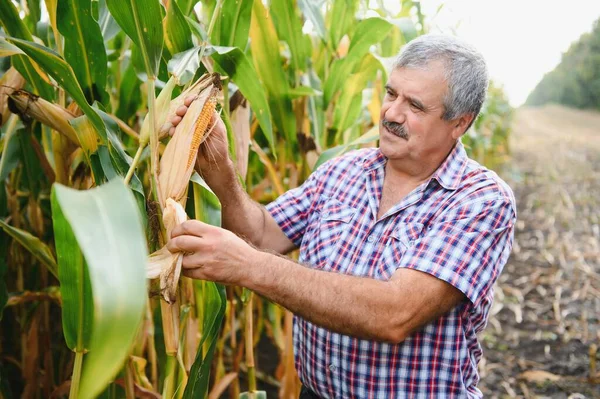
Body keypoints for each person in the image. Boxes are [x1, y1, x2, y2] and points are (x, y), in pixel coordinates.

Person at [167, 34, 516, 398]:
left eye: (415, 106)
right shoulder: (343, 170)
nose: (392, 114)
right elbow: (260, 234)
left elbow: (396, 313)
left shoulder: (480, 201)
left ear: (459, 123)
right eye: (391, 93)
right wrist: (219, 168)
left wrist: (250, 266)